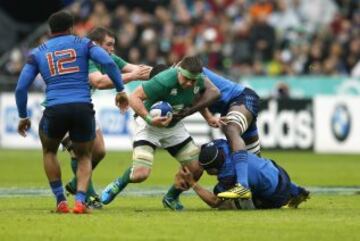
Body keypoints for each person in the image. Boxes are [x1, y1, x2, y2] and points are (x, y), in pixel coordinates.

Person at [15, 11, 128, 214]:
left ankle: (60, 201)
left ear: (50, 30)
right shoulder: (84, 43)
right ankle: (80, 202)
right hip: (82, 107)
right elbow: (109, 63)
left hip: (54, 108)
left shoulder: (38, 52)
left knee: (49, 151)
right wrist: (120, 90)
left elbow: (21, 88)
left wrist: (23, 116)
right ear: (72, 27)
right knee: (85, 155)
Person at [100, 56, 220, 208]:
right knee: (140, 174)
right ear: (179, 71)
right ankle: (119, 183)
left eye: (193, 80)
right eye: (187, 79)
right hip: (148, 126)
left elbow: (197, 99)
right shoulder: (163, 81)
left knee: (196, 169)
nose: (190, 83)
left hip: (174, 128)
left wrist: (208, 117)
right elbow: (134, 98)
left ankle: (171, 198)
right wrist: (150, 119)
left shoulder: (199, 81)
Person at [60, 27, 151, 209]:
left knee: (99, 151)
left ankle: (76, 182)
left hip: (83, 106)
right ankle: (87, 194)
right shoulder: (87, 56)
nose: (112, 49)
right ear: (96, 45)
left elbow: (136, 69)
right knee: (80, 152)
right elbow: (98, 81)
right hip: (63, 105)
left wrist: (168, 73)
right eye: (109, 45)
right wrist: (132, 76)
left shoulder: (108, 58)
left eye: (113, 45)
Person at [164, 67, 261, 208]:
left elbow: (213, 94)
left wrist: (189, 112)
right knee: (254, 165)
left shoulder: (190, 72)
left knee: (231, 129)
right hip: (230, 109)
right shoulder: (179, 81)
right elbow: (198, 98)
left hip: (242, 99)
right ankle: (171, 197)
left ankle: (243, 186)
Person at [175, 139, 310, 210]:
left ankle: (285, 197)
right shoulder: (222, 145)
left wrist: (192, 183)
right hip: (278, 170)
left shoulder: (227, 176)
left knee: (227, 204)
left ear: (214, 170)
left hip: (275, 195)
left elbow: (214, 202)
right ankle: (296, 190)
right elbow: (202, 148)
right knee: (260, 175)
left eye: (206, 170)